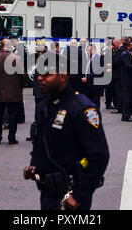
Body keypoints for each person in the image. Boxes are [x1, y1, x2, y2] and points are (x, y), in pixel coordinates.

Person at [23, 53, 109, 210]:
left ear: (62, 76)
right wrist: (34, 165)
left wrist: (80, 194)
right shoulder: (44, 106)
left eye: (47, 74)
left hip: (72, 193)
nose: (40, 78)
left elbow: (99, 155)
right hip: (48, 191)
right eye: (39, 74)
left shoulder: (82, 108)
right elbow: (43, 143)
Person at [0, 39, 24, 144]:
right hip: (13, 93)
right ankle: (12, 138)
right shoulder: (17, 59)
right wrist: (20, 87)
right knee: (13, 116)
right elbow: (22, 77)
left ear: (0, 46)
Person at [82, 44, 104, 110]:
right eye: (88, 50)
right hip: (89, 83)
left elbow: (97, 71)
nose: (88, 52)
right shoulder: (90, 58)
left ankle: (96, 115)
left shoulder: (98, 58)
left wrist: (87, 77)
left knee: (95, 101)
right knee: (89, 101)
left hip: (95, 83)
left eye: (90, 50)